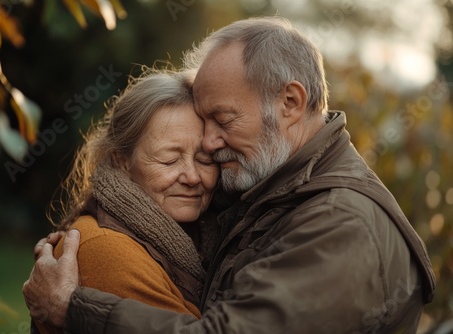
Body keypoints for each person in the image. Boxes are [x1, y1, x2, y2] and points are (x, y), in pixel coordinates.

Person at [23, 17, 436, 333]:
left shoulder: (341, 222)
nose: (211, 141)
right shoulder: (270, 187)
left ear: (290, 102)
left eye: (223, 119)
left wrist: (75, 307)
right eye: (205, 121)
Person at [30, 70, 220, 333]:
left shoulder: (209, 236)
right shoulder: (104, 248)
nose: (192, 176)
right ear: (122, 161)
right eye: (169, 160)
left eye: (205, 160)